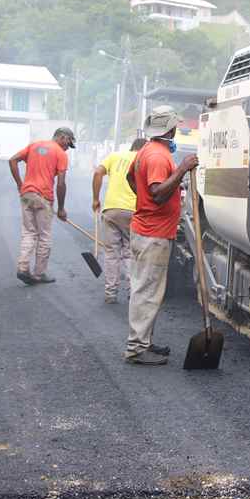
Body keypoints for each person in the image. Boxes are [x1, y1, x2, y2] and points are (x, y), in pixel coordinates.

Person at [124, 106, 198, 365]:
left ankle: (144, 342)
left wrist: (143, 200)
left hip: (146, 228)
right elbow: (157, 192)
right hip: (153, 233)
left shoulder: (145, 150)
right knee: (147, 290)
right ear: (171, 128)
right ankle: (136, 348)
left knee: (147, 288)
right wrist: (182, 170)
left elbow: (130, 177)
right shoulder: (158, 155)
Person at [9, 127, 74, 285]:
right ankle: (39, 273)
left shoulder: (34, 145)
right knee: (44, 236)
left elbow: (12, 160)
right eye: (68, 143)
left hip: (26, 194)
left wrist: (20, 184)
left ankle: (23, 268)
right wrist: (61, 208)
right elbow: (61, 184)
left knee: (29, 233)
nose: (68, 148)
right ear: (62, 137)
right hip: (44, 197)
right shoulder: (60, 154)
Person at [91, 137, 146, 304]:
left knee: (111, 253)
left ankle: (110, 293)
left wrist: (95, 199)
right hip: (133, 212)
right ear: (143, 149)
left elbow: (97, 173)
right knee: (131, 252)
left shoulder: (115, 156)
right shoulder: (143, 160)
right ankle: (132, 292)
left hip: (111, 210)